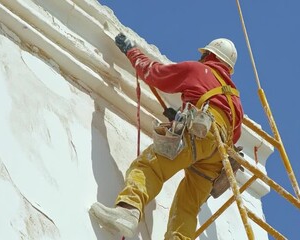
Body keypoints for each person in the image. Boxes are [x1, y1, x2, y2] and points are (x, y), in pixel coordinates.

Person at [89, 33, 244, 240]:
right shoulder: (235, 100)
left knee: (150, 166)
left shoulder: (198, 70)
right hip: (217, 156)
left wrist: (131, 51)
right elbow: (234, 134)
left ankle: (128, 211)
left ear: (208, 54)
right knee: (188, 206)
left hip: (201, 134)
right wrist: (183, 114)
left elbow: (155, 74)